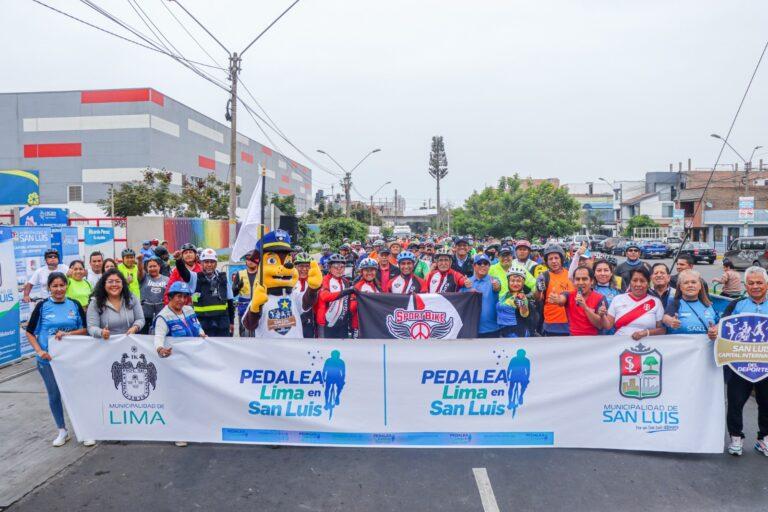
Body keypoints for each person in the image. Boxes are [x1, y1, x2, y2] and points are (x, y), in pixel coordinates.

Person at [25, 272, 89, 447]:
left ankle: (84, 430)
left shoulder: (74, 305)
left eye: (62, 285)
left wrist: (68, 334)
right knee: (54, 395)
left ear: (66, 286)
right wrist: (39, 351)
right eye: (55, 286)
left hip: (71, 359)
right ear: (49, 288)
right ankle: (62, 431)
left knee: (76, 394)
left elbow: (85, 329)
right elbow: (30, 332)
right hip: (48, 361)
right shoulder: (42, 306)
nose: (59, 289)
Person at [715, 266, 768, 457]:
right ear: (745, 285)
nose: (755, 286)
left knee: (766, 403)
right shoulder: (736, 305)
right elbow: (722, 327)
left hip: (766, 366)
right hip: (739, 365)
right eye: (751, 283)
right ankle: (736, 438)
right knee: (735, 403)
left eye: (759, 283)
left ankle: (764, 439)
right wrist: (715, 331)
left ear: (766, 284)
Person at [153, 281, 206, 448]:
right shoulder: (163, 316)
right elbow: (158, 337)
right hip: (176, 366)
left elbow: (198, 328)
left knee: (194, 397)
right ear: (170, 297)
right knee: (178, 400)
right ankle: (178, 433)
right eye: (178, 296)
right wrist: (160, 348)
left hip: (194, 362)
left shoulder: (189, 310)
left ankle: (194, 427)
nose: (182, 300)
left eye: (184, 297)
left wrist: (204, 335)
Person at [176, 248, 234, 337]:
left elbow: (230, 302)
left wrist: (232, 322)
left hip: (222, 324)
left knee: (222, 350)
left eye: (212, 262)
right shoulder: (194, 278)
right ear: (201, 263)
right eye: (206, 262)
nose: (209, 265)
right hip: (203, 324)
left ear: (216, 263)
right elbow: (184, 273)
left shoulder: (223, 279)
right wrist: (179, 260)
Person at [604, 267, 665, 340]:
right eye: (635, 280)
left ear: (648, 283)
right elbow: (607, 326)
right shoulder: (617, 299)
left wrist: (646, 333)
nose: (638, 284)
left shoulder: (656, 302)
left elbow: (662, 330)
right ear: (630, 282)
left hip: (647, 348)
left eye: (642, 281)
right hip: (620, 346)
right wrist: (602, 316)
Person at [87, 269, 145, 339]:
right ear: (104, 284)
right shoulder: (95, 302)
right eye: (110, 282)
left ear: (123, 284)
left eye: (118, 281)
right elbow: (91, 327)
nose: (114, 284)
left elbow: (140, 319)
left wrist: (135, 327)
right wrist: (101, 332)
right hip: (105, 344)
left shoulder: (132, 298)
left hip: (129, 342)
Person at [550, 266, 607, 336]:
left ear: (592, 281)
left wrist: (585, 308)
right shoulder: (568, 295)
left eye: (584, 279)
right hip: (574, 339)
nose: (580, 282)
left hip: (593, 340)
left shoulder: (600, 298)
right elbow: (561, 300)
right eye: (577, 279)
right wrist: (556, 299)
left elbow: (600, 325)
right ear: (573, 281)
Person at [662, 269, 718, 335]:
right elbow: (665, 318)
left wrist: (715, 330)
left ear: (700, 286)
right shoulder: (675, 303)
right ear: (680, 287)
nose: (690, 285)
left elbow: (719, 323)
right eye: (686, 283)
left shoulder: (708, 304)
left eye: (693, 282)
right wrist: (671, 321)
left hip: (705, 344)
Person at [535, 245, 574, 336]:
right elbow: (538, 298)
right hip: (551, 324)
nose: (554, 261)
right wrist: (538, 289)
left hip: (571, 323)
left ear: (561, 259)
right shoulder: (544, 276)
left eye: (556, 258)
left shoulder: (571, 275)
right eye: (550, 259)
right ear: (546, 262)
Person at [316, 254, 354, 338]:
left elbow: (347, 301)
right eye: (335, 266)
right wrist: (344, 292)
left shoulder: (345, 281)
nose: (339, 269)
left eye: (342, 266)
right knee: (325, 349)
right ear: (329, 268)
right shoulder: (325, 279)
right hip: (326, 322)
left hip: (342, 323)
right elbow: (324, 296)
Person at [463, 254, 500, 337]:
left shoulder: (494, 280)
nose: (482, 265)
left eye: (486, 263)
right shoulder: (466, 282)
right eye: (479, 263)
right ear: (474, 266)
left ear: (489, 266)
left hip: (492, 329)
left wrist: (497, 286)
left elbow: (497, 287)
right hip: (470, 328)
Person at [496, 268, 532, 338]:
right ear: (508, 281)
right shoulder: (505, 295)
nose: (515, 283)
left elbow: (524, 314)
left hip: (516, 333)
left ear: (523, 283)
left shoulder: (521, 296)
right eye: (512, 281)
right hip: (503, 332)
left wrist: (522, 305)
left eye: (518, 281)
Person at [350, 258, 381, 336]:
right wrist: (361, 299)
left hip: (372, 324)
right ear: (361, 272)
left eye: (372, 270)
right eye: (366, 270)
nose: (370, 273)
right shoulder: (357, 287)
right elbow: (351, 308)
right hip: (359, 326)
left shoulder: (377, 286)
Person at [139, 258, 169, 334]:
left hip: (162, 315)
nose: (152, 268)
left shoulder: (167, 279)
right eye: (150, 267)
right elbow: (140, 271)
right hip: (145, 314)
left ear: (159, 266)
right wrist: (139, 261)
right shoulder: (144, 277)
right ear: (147, 268)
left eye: (154, 266)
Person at [233, 251, 259, 336]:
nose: (251, 261)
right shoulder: (240, 274)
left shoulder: (262, 274)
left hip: (258, 309)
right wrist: (238, 287)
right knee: (244, 334)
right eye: (248, 259)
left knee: (259, 334)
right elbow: (233, 293)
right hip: (244, 309)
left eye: (253, 259)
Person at [293, 252, 318, 338]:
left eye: (307, 266)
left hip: (309, 318)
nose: (304, 269)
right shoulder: (289, 282)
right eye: (301, 266)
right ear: (295, 267)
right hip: (292, 318)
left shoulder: (314, 282)